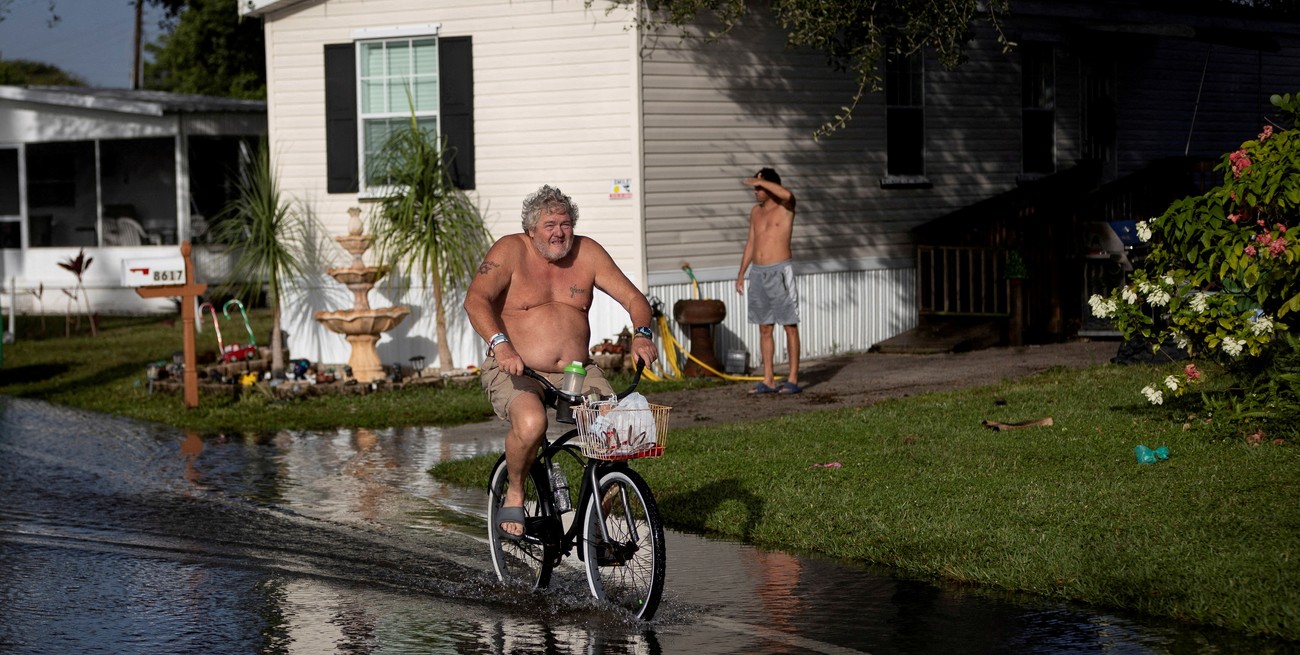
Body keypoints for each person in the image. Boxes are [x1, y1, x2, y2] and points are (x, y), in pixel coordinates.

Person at [463, 184, 659, 539]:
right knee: (532, 422)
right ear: (531, 229)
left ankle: (596, 524)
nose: (559, 232)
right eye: (550, 225)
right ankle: (516, 491)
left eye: (565, 224)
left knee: (619, 436)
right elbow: (475, 300)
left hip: (576, 370)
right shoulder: (510, 251)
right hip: (516, 366)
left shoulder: (588, 253)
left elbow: (634, 298)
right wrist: (501, 345)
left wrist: (642, 332)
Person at [735, 167, 801, 395]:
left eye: (759, 187)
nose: (755, 191)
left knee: (789, 326)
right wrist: (741, 272)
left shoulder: (785, 207)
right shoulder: (756, 211)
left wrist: (764, 181)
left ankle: (792, 379)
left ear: (771, 187)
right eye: (755, 187)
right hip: (758, 273)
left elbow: (787, 194)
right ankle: (769, 379)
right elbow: (751, 242)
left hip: (779, 271)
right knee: (764, 327)